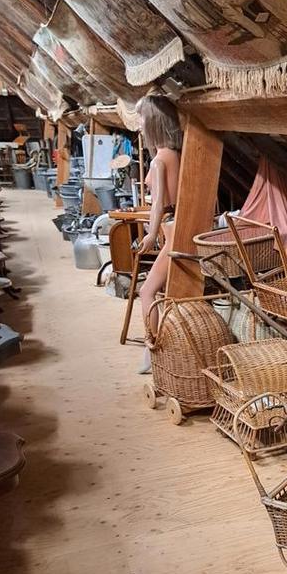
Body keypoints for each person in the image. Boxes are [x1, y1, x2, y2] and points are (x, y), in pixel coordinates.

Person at [136, 95, 183, 373]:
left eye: (142, 119)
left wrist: (150, 234)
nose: (139, 125)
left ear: (153, 122)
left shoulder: (158, 161)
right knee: (156, 290)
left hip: (171, 232)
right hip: (177, 227)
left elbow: (157, 205)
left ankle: (153, 350)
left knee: (147, 290)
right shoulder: (174, 154)